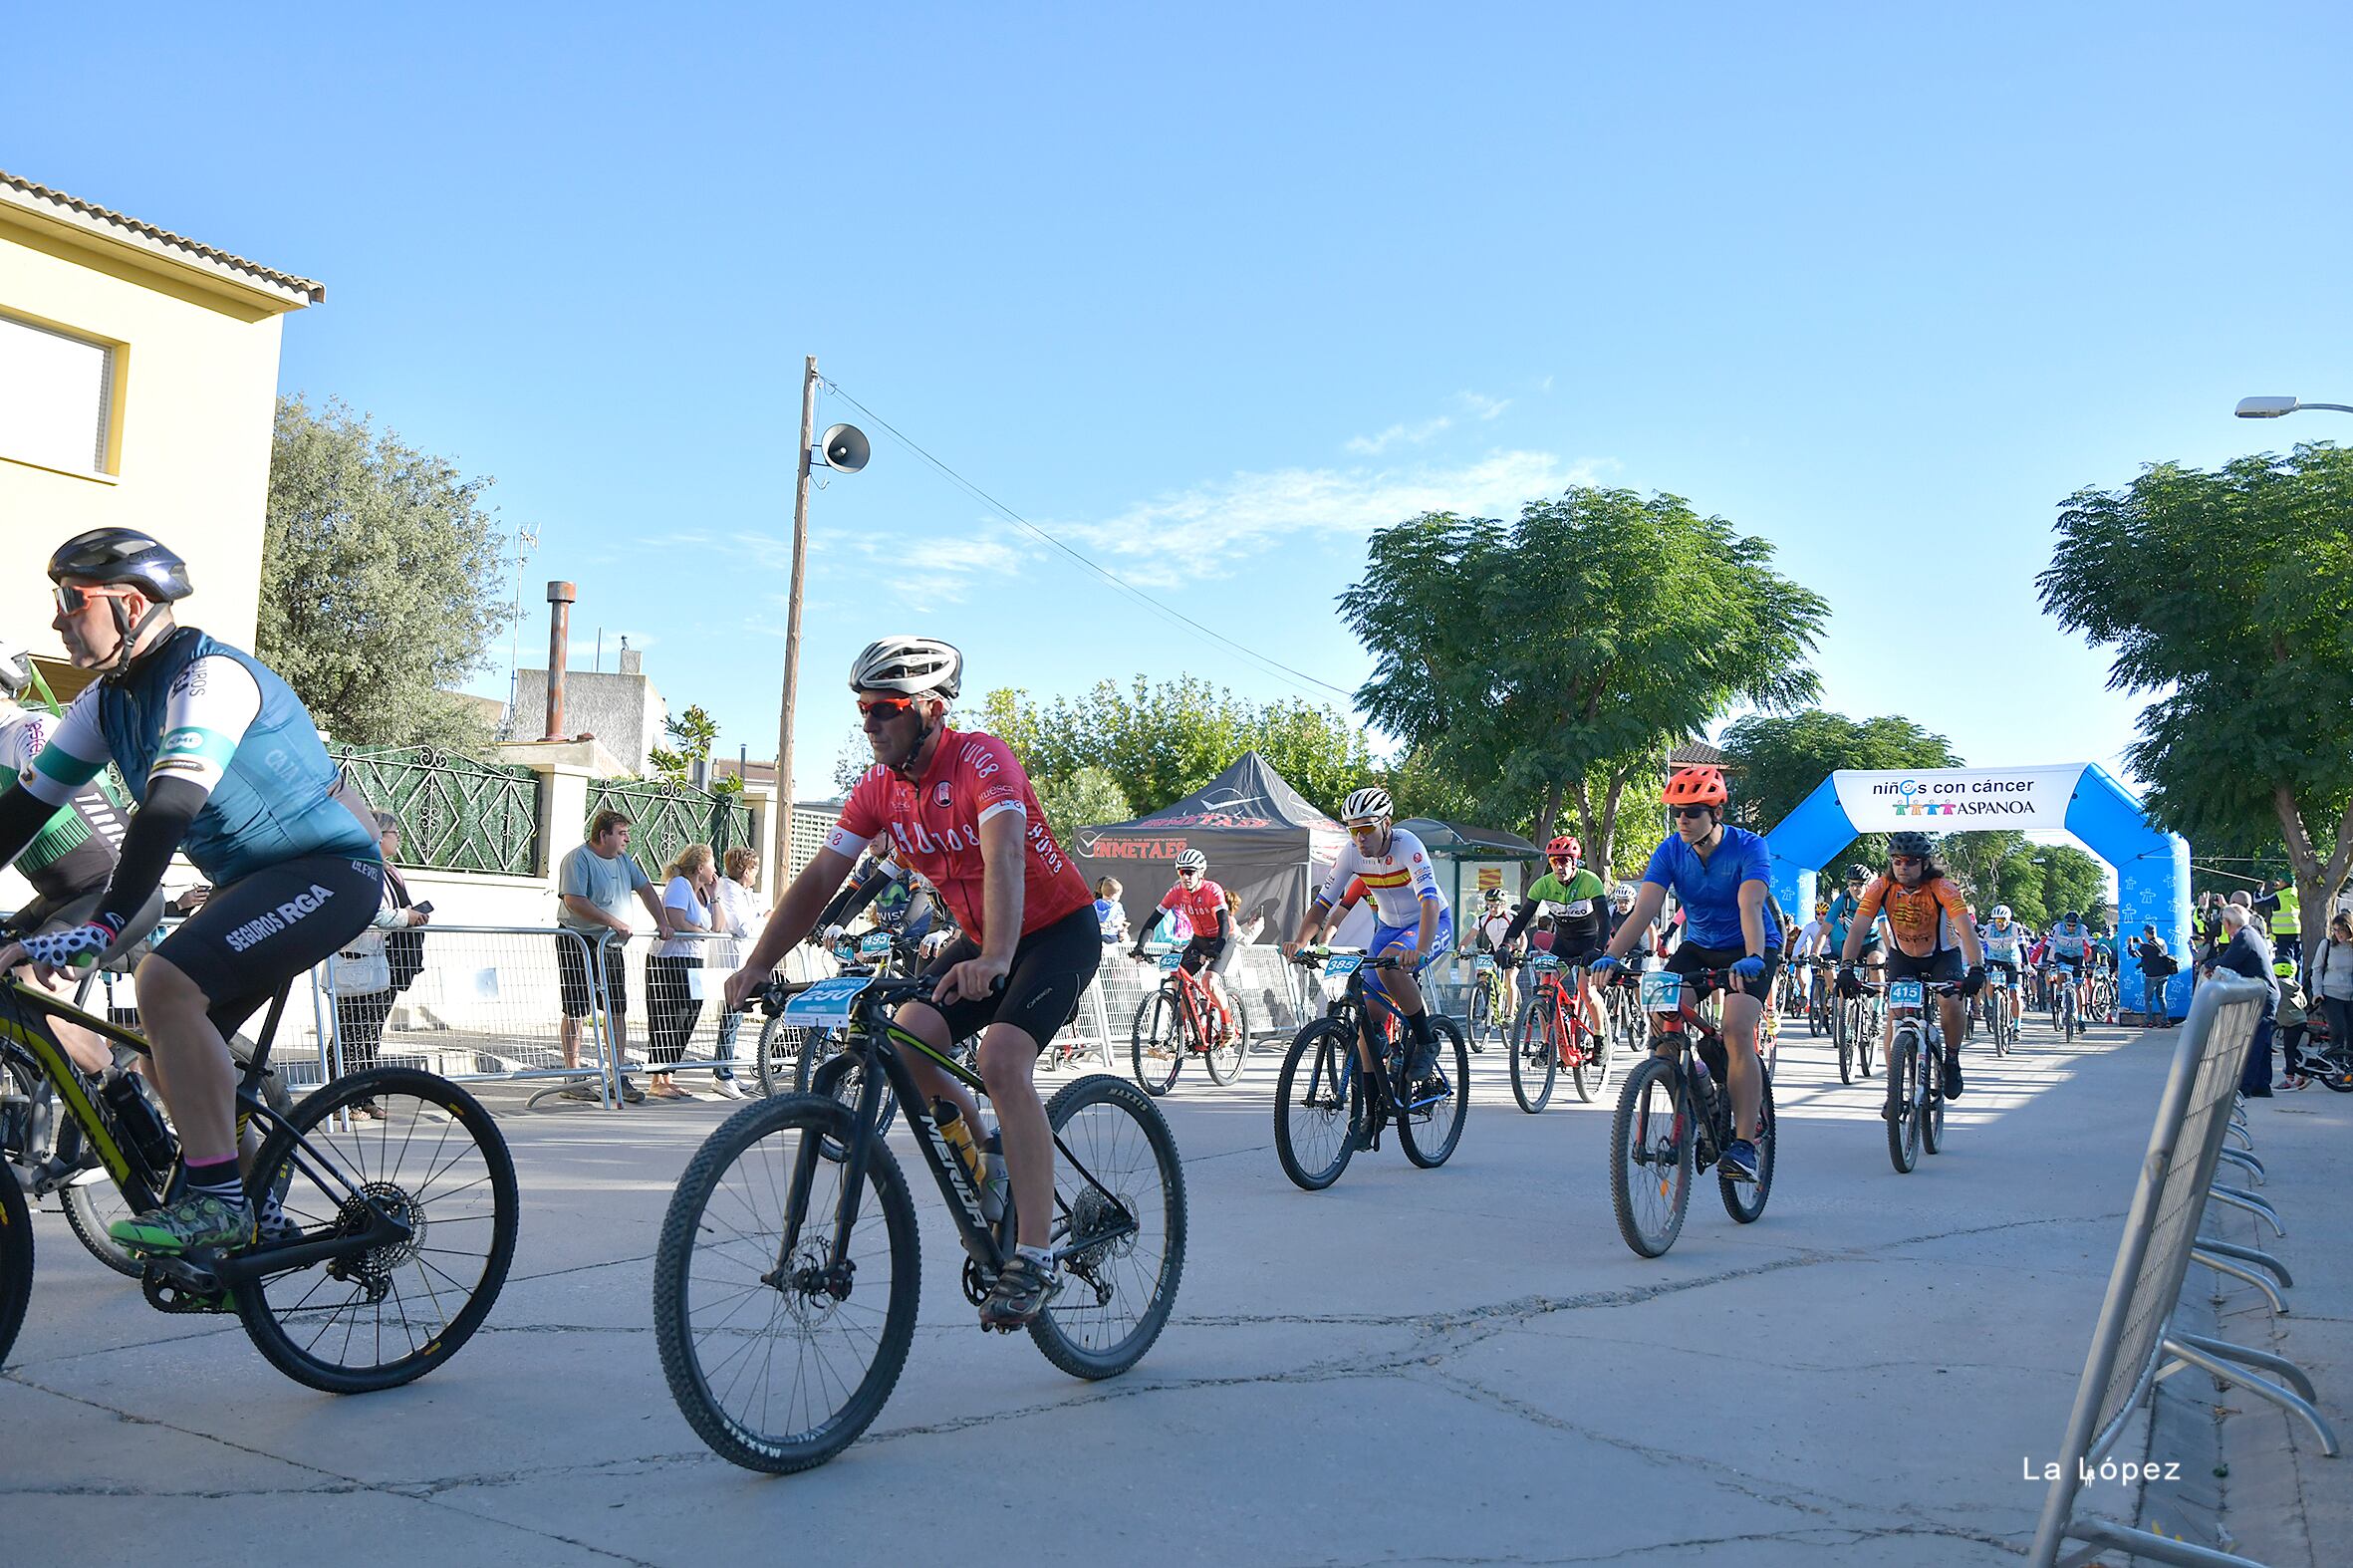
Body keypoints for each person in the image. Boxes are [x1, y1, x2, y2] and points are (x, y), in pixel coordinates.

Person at [0, 528, 384, 1255]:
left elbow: (167, 809)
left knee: (164, 983)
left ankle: (214, 1203)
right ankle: (255, 1215)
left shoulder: (207, 678)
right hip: (256, 883)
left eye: (70, 600)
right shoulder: (106, 701)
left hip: (331, 872)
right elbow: (19, 814)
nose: (57, 618)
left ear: (131, 603)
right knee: (160, 1051)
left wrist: (106, 926)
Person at [722, 637, 1099, 1331]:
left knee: (1001, 1058)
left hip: (1053, 932)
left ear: (929, 708)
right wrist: (757, 963)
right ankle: (991, 1158)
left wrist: (997, 956)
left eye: (885, 709)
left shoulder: (983, 759)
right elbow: (819, 881)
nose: (869, 723)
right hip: (988, 938)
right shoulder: (879, 790)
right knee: (904, 1039)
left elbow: (1007, 855)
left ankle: (1037, 1257)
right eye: (863, 710)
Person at [1589, 765, 1777, 1182]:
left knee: (1736, 1028)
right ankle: (1696, 1097)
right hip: (1698, 946)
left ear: (1717, 813)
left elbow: (1750, 906)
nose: (1682, 820)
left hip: (1751, 946)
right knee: (1663, 1024)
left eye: (1692, 811)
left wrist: (1752, 957)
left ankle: (1745, 1145)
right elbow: (1644, 910)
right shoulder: (1671, 850)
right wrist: (1612, 955)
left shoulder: (1750, 847)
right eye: (1676, 812)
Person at [0, 637, 160, 1075]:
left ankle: (122, 1100)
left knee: (32, 991)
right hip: (57, 900)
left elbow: (42, 786)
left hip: (115, 895)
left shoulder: (28, 729)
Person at [1283, 786, 1452, 1126]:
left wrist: (1419, 949)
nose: (1359, 838)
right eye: (1352, 829)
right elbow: (1324, 903)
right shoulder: (1351, 854)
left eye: (1366, 829)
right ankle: (1371, 1114)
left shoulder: (1409, 847)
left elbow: (1429, 902)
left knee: (1392, 966)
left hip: (1428, 923)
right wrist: (1301, 940)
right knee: (1368, 1021)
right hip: (1389, 929)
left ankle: (1425, 1040)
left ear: (1386, 824)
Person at [1837, 833, 1984, 1100]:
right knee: (1896, 1015)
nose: (1903, 867)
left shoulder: (1943, 888)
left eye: (1910, 861)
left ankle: (1951, 1060)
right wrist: (1845, 967)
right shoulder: (1880, 887)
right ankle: (1893, 1091)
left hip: (1941, 955)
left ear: (1924, 863)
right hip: (1903, 955)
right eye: (1897, 861)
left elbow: (1966, 929)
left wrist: (1976, 968)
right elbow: (1857, 929)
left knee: (1950, 1002)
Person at [555, 809, 664, 1105]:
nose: (627, 838)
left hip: (611, 945)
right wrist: (613, 921)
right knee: (576, 1007)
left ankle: (618, 1074)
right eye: (621, 833)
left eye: (627, 833)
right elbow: (574, 901)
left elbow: (646, 889)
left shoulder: (624, 861)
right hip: (578, 939)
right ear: (603, 835)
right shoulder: (578, 859)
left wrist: (663, 921)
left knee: (616, 1008)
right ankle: (572, 1074)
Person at [333, 812, 431, 1118]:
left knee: (370, 1032)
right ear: (377, 835)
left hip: (384, 961)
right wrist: (405, 917)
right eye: (394, 832)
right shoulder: (359, 867)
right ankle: (341, 1100)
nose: (398, 838)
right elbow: (371, 911)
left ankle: (364, 1096)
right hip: (359, 961)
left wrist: (411, 915)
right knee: (351, 1032)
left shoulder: (387, 870)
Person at [1498, 835, 1609, 1045]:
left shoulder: (1589, 881)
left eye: (1564, 861)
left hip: (1589, 943)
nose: (1559, 866)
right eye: (1554, 861)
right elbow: (1522, 918)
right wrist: (1506, 945)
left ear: (1574, 862)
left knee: (1585, 989)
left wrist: (1599, 949)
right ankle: (1547, 1044)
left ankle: (1599, 1034)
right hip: (1563, 943)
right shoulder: (1543, 885)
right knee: (1544, 988)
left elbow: (1604, 921)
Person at [1131, 849, 1235, 1039]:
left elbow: (1224, 923)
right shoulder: (1176, 892)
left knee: (1209, 981)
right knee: (1176, 978)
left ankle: (1228, 1024)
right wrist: (1140, 946)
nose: (1185, 877)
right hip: (1199, 939)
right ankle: (1185, 1030)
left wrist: (1216, 950)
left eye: (1190, 872)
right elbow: (1153, 920)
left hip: (1222, 938)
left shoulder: (1212, 890)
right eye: (1181, 872)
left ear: (1201, 872)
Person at [646, 843, 717, 1100]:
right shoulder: (679, 885)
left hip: (694, 959)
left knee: (689, 1015)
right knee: (668, 1015)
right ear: (700, 867)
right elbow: (676, 921)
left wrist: (714, 894)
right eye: (712, 864)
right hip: (671, 959)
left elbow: (718, 927)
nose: (716, 870)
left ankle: (669, 1075)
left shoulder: (704, 894)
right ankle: (657, 1077)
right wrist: (703, 934)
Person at [705, 845, 765, 1098]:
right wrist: (764, 921)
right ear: (745, 869)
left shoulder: (743, 891)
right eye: (754, 869)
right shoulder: (729, 891)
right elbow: (742, 926)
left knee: (736, 1017)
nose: (756, 875)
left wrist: (761, 917)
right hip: (732, 961)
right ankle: (722, 1074)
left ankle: (726, 1068)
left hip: (742, 961)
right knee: (731, 1017)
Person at [2208, 904, 2279, 1096]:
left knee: (2253, 1042)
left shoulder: (2244, 936)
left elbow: (2227, 961)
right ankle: (2262, 1085)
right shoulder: (2250, 933)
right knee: (2262, 1042)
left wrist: (2209, 964)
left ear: (2228, 922)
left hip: (2262, 995)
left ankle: (2245, 1086)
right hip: (2266, 993)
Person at [1470, 885, 1522, 1028]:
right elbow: (1471, 935)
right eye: (1490, 905)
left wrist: (1520, 952)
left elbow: (1523, 938)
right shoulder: (1483, 918)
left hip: (1512, 951)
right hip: (1493, 951)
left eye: (1496, 905)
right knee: (1482, 975)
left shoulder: (1512, 916)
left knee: (1509, 978)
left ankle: (1510, 1015)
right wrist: (1460, 949)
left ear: (1503, 905)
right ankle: (1486, 1006)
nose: (1493, 909)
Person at [1979, 904, 2030, 1037]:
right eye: (1997, 920)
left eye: (2002, 920)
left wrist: (2028, 965)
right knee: (1990, 982)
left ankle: (2017, 1027)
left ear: (2008, 920)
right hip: (1993, 959)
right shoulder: (1988, 929)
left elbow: (2022, 946)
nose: (1999, 923)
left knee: (2015, 993)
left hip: (2012, 960)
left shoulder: (2015, 928)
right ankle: (1991, 1007)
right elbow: (1975, 943)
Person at [2126, 922, 2176, 1024]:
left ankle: (2149, 1021)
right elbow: (2152, 951)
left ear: (2146, 933)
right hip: (2164, 974)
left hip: (2152, 976)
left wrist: (2130, 944)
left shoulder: (2146, 947)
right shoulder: (2162, 942)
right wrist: (2141, 944)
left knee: (2148, 999)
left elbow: (2134, 954)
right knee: (2161, 997)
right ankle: (2165, 1020)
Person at [2254, 876, 2301, 967]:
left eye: (2279, 880)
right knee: (2297, 961)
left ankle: (2286, 981)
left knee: (2285, 962)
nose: (2276, 882)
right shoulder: (2298, 893)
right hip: (2297, 931)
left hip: (2283, 933)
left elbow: (2258, 901)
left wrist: (2259, 890)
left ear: (2285, 882)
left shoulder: (2280, 895)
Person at [1092, 877, 1129, 946]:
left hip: (1099, 938)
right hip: (1112, 937)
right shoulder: (1117, 906)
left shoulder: (1094, 905)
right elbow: (1120, 919)